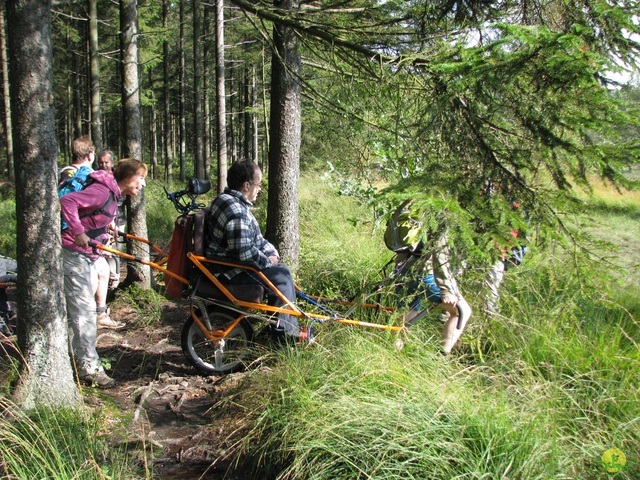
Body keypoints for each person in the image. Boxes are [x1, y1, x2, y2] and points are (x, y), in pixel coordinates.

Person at [60, 158, 147, 388]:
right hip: (74, 252)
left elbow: (91, 212)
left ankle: (71, 358)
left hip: (85, 255)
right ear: (128, 177)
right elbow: (68, 201)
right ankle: (90, 369)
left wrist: (104, 225)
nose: (142, 184)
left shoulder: (112, 193)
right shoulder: (102, 191)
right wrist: (78, 231)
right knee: (84, 313)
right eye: (140, 179)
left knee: (79, 311)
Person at [204, 160, 301, 343]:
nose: (259, 189)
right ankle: (284, 338)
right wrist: (268, 261)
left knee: (282, 273)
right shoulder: (236, 211)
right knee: (281, 276)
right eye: (258, 184)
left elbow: (257, 240)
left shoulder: (231, 202)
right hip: (229, 272)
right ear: (247, 185)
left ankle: (280, 327)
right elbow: (243, 253)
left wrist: (272, 252)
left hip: (232, 265)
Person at [391, 205, 472, 354]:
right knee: (461, 311)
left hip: (402, 266)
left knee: (407, 313)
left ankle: (394, 354)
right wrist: (446, 290)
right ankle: (442, 356)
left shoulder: (425, 204)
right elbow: (440, 255)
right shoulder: (449, 214)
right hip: (424, 273)